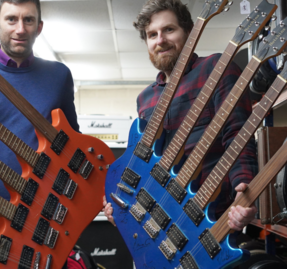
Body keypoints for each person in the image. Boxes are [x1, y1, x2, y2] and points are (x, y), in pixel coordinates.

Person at [103, 0, 258, 232]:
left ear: (188, 32)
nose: (160, 40)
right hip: (163, 224)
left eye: (169, 29)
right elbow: (144, 166)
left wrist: (244, 192)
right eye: (152, 34)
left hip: (212, 216)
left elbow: (238, 135)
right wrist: (123, 204)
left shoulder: (216, 68)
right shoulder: (144, 99)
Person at [0, 0, 79, 267]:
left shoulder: (59, 75)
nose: (20, 29)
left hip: (46, 221)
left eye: (28, 20)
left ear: (39, 27)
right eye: (11, 19)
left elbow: (71, 142)